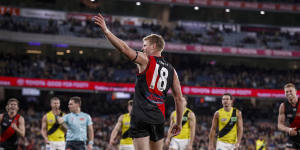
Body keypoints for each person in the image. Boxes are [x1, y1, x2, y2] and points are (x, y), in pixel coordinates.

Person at [94, 13, 185, 150]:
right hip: (158, 118)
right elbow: (179, 98)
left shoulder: (146, 59)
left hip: (141, 116)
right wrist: (178, 123)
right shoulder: (172, 70)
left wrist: (106, 31)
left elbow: (124, 48)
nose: (142, 48)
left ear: (154, 46)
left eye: (145, 45)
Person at [278, 83, 300, 149]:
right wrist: (289, 130)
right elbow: (280, 125)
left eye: (290, 91)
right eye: (286, 92)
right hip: (293, 136)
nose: (288, 93)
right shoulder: (283, 106)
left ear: (295, 91)